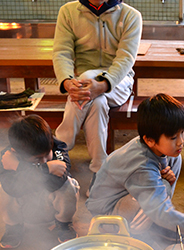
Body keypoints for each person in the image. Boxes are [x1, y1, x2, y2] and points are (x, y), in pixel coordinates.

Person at [86, 93, 184, 250]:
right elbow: (160, 209)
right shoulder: (141, 164)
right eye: (173, 137)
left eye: (182, 132)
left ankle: (157, 226)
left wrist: (166, 192)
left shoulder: (166, 152)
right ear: (149, 140)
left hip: (128, 195)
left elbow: (161, 200)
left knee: (168, 176)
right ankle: (132, 236)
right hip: (106, 213)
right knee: (154, 197)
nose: (181, 141)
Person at [52, 0, 142, 185]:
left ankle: (59, 147)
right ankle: (100, 171)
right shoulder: (68, 12)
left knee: (88, 80)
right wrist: (68, 81)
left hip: (119, 82)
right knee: (98, 102)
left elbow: (126, 58)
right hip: (81, 85)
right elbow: (62, 53)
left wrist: (102, 85)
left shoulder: (131, 15)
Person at [0, 115, 80, 249]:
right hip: (25, 208)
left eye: (47, 154)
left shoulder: (59, 148)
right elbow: (12, 188)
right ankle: (13, 226)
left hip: (50, 208)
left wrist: (21, 168)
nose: (45, 160)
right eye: (37, 159)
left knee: (68, 185)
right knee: (2, 189)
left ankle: (63, 224)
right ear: (17, 154)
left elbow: (55, 183)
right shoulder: (8, 156)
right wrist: (47, 169)